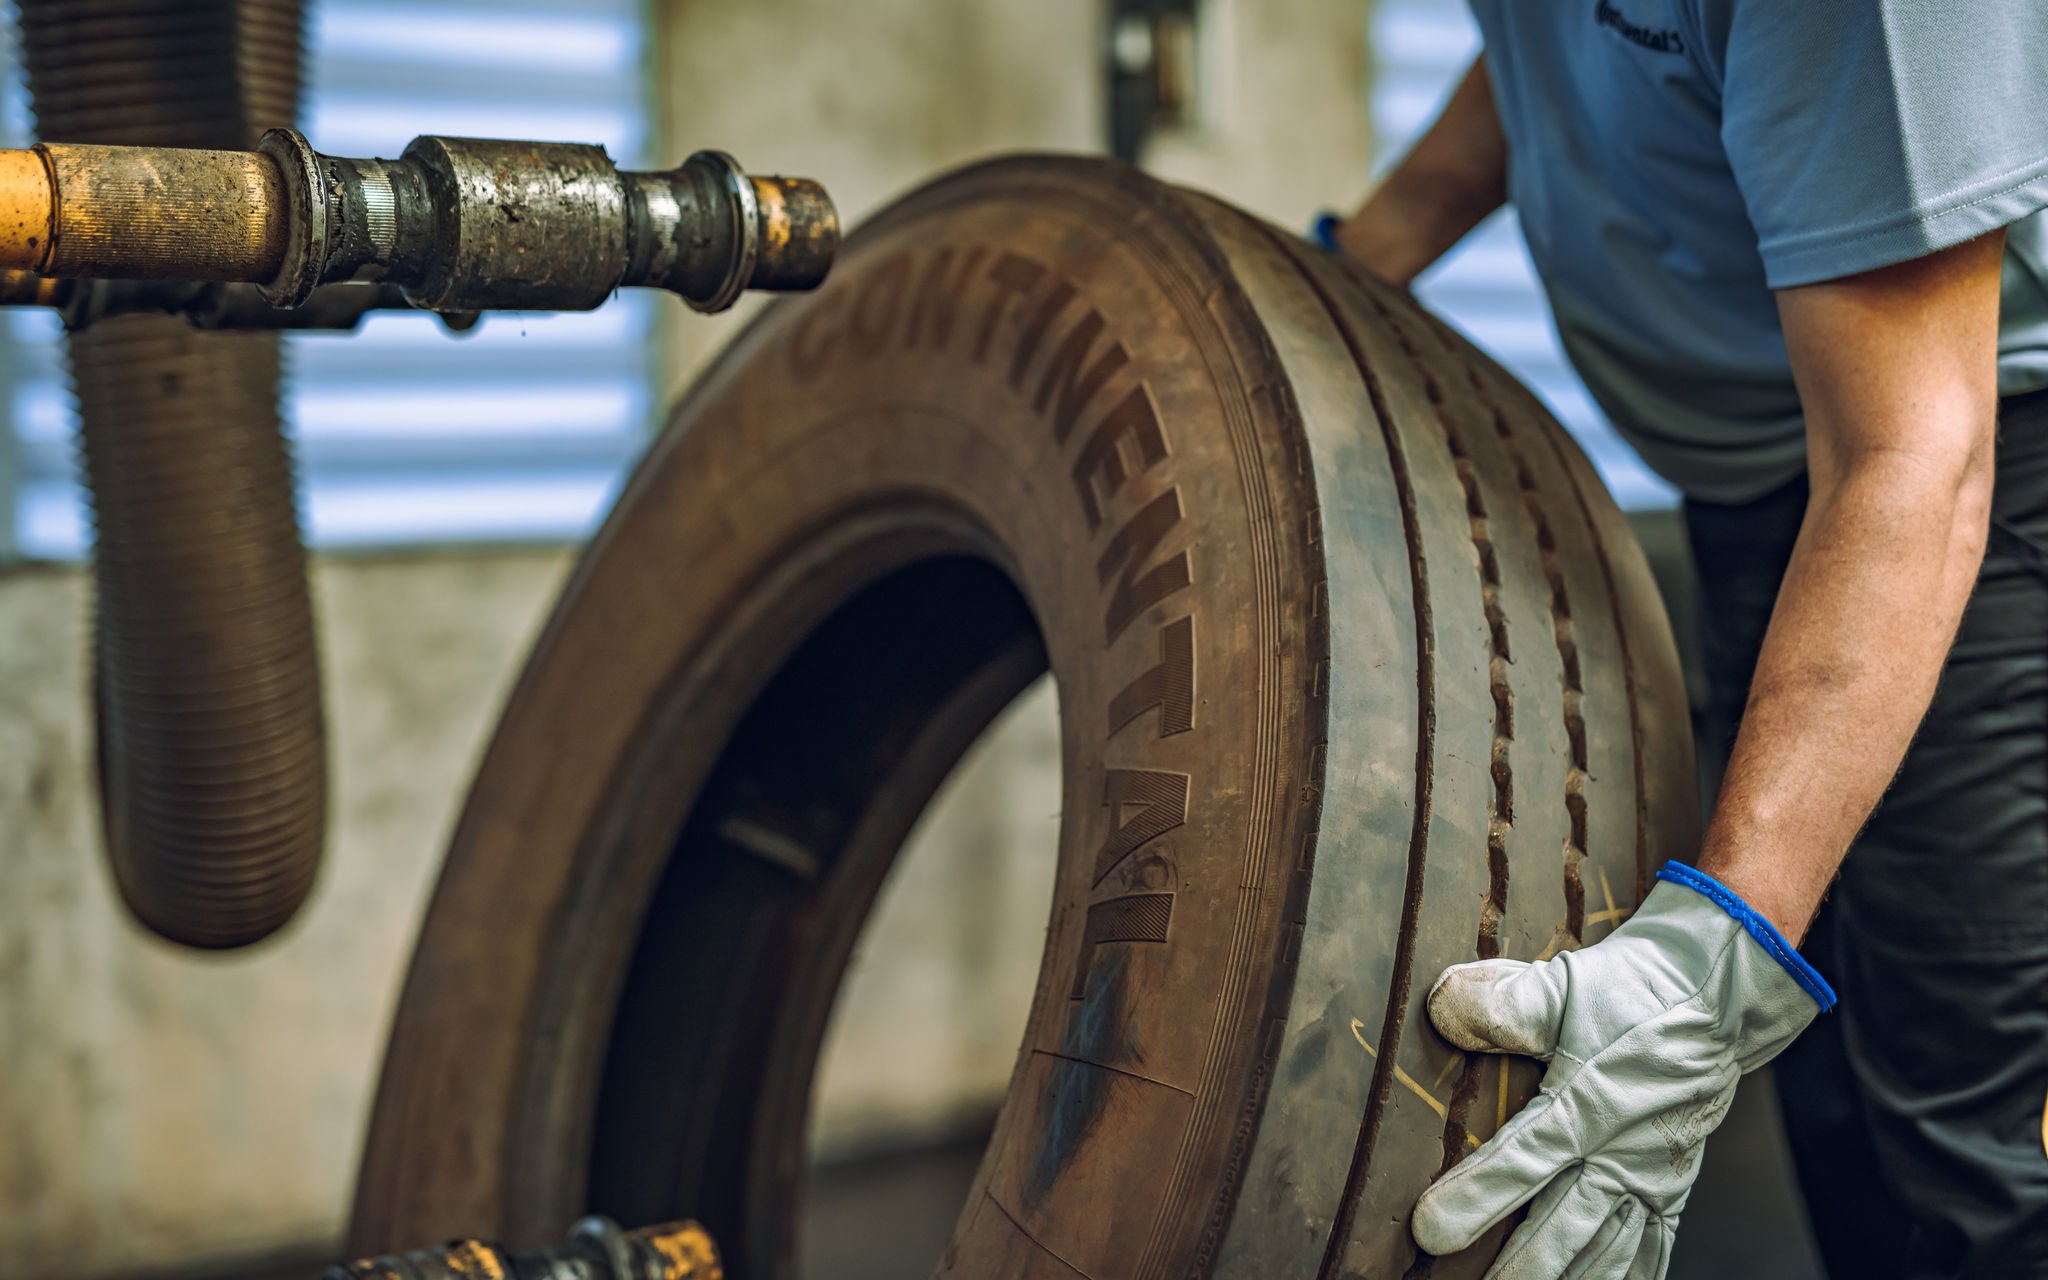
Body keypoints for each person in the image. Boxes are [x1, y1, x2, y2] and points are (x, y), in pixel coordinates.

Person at [1319, 5, 2048, 1279]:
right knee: (1825, 1088)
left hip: (1959, 469)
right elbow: (1572, 61)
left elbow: (1915, 459)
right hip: (1763, 478)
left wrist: (1709, 966)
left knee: (1956, 1115)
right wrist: (1343, 269)